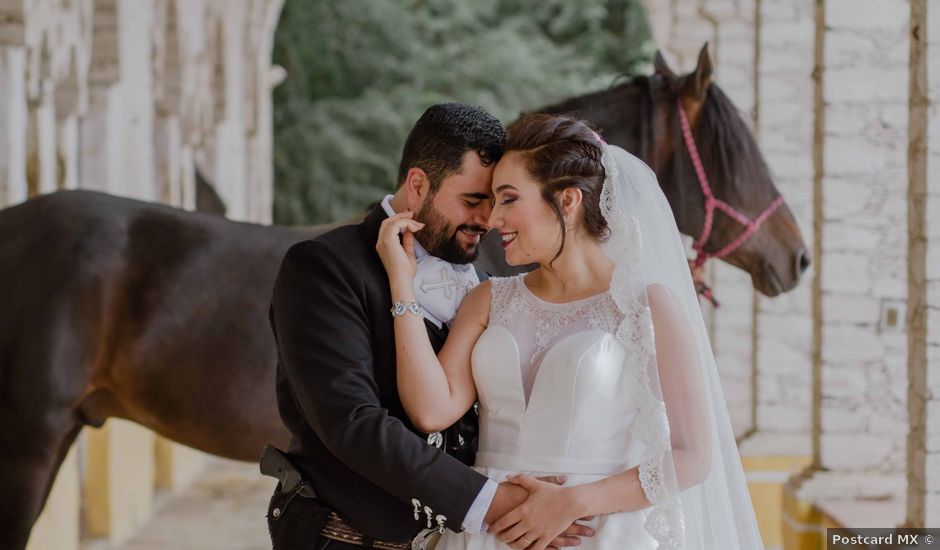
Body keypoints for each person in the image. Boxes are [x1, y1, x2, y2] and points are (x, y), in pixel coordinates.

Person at [376, 113, 765, 549]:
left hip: (596, 534)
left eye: (507, 199)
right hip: (487, 536)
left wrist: (573, 502)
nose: (491, 218)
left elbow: (692, 457)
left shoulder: (646, 305)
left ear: (567, 201)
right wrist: (401, 283)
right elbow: (431, 410)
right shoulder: (487, 300)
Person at [267, 103, 593, 550]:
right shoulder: (323, 268)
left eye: (498, 201)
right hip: (346, 540)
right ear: (417, 185)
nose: (488, 220)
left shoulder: (484, 283)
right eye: (473, 201)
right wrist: (498, 504)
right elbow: (352, 424)